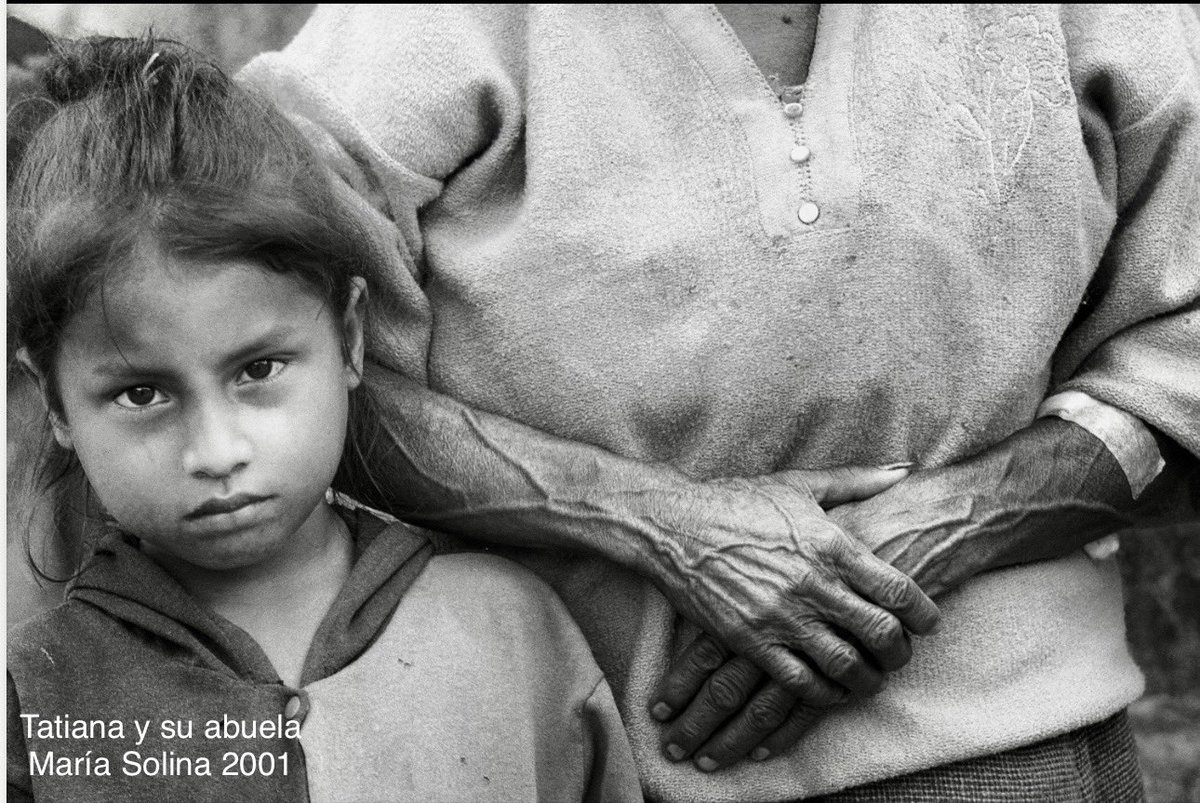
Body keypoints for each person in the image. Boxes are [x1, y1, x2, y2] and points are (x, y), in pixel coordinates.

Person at [238, 4, 1200, 800]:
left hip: (1003, 743)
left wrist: (951, 522)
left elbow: (1183, 349)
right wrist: (647, 519)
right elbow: (241, 347)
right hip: (562, 744)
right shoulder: (422, 34)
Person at [5, 35, 641, 803]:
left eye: (258, 369)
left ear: (348, 336)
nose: (217, 450)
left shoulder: (514, 630)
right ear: (53, 401)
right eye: (143, 394)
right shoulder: (36, 703)